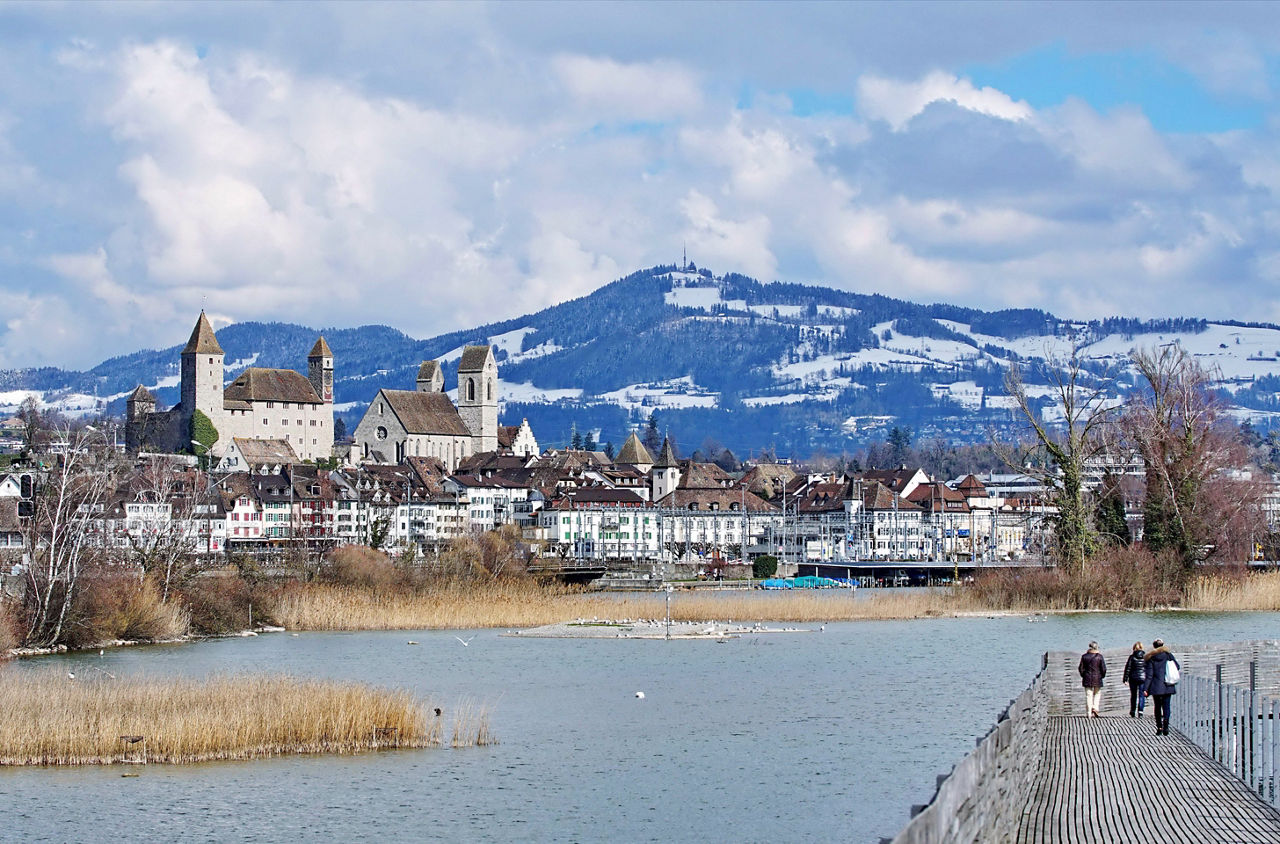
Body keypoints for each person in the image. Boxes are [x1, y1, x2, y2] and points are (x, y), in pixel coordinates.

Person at [1144, 638, 1181, 736]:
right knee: (1167, 706)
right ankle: (1166, 726)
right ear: (1163, 645)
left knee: (1157, 707)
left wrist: (1145, 689)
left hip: (1156, 687)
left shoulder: (1151, 658)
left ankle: (1159, 727)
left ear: (1154, 646)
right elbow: (1177, 666)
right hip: (1168, 685)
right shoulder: (1168, 655)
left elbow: (1149, 675)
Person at [1078, 641, 1107, 717]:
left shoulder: (1084, 656)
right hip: (1097, 678)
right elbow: (1103, 669)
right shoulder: (1099, 657)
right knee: (1097, 694)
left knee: (1088, 695)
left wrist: (1083, 675)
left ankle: (1088, 713)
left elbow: (1080, 668)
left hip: (1087, 678)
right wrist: (1102, 676)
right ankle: (1095, 707)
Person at [1122, 641, 1147, 718]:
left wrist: (1125, 679)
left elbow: (1128, 668)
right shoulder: (1145, 657)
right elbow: (1148, 668)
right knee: (1141, 695)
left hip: (1133, 678)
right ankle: (1140, 711)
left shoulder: (1132, 657)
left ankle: (1133, 711)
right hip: (1143, 678)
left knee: (1133, 695)